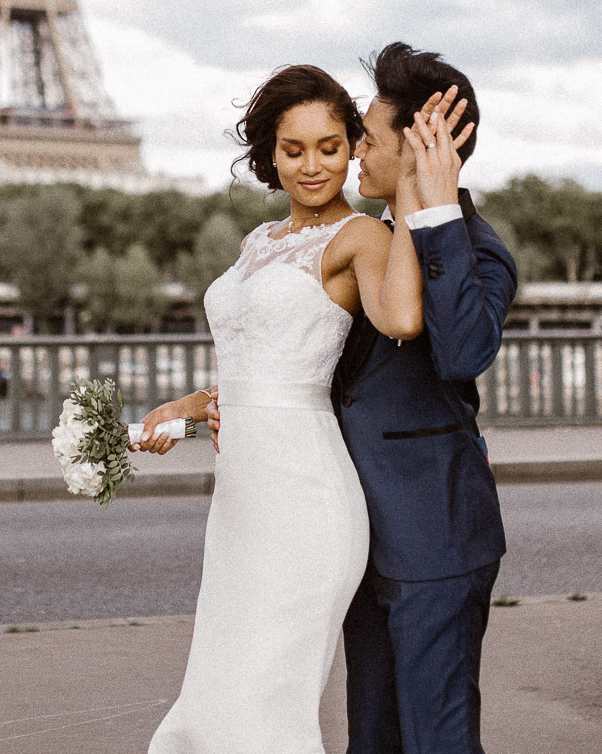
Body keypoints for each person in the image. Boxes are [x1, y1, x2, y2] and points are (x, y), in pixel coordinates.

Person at [133, 63, 425, 754]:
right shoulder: (257, 242)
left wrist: (414, 192)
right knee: (218, 689)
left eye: (329, 147)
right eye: (294, 150)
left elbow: (403, 319)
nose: (312, 166)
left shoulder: (362, 237)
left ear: (351, 146)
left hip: (306, 501)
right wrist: (187, 408)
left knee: (265, 697)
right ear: (270, 153)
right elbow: (251, 369)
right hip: (241, 502)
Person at [336, 42, 516, 754]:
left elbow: (465, 352)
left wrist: (435, 210)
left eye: (368, 138)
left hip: (436, 542)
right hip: (362, 542)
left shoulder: (477, 248)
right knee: (372, 740)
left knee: (437, 741)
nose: (356, 150)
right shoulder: (368, 243)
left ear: (419, 146)